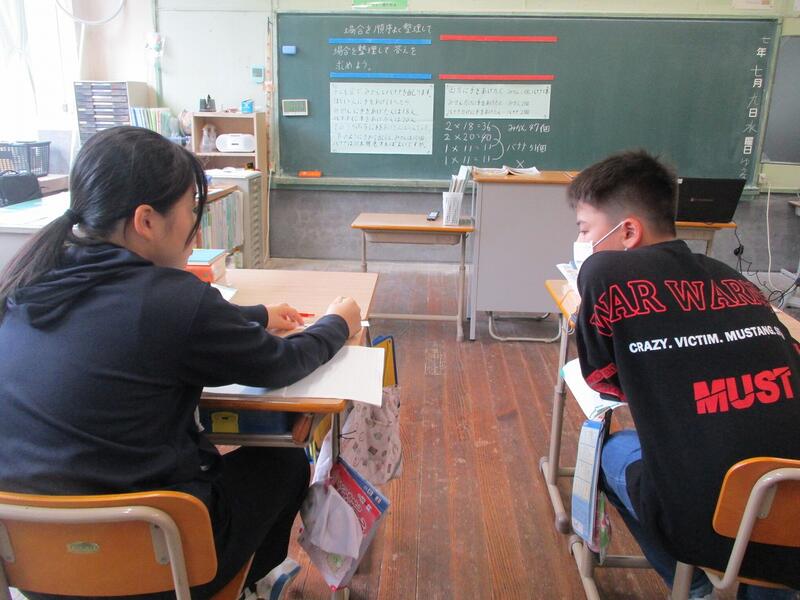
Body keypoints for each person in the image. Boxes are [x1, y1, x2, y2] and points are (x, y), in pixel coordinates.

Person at [0, 126, 363, 598]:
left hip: (35, 568)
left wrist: (256, 315)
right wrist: (337, 323)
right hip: (159, 568)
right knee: (283, 462)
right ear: (146, 221)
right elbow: (280, 363)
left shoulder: (28, 282)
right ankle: (248, 582)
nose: (196, 226)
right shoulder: (173, 300)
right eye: (192, 209)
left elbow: (135, 322)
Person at [568, 150, 800, 600]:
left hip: (709, 526)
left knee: (609, 451)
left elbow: (603, 381)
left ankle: (694, 586)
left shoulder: (604, 270)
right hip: (792, 523)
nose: (581, 242)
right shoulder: (734, 279)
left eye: (584, 229)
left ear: (628, 231)